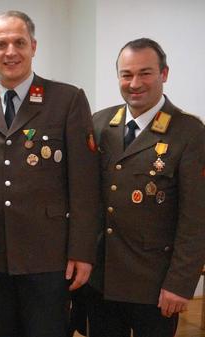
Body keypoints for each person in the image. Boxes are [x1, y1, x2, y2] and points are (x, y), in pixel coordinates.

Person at [0, 10, 101, 337]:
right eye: (1, 44)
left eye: (19, 42)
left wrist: (82, 250)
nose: (10, 52)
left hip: (49, 257)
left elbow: (84, 185)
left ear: (34, 47)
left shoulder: (66, 100)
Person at [87, 37, 205, 337]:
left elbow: (196, 217)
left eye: (145, 73)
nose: (134, 83)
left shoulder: (189, 132)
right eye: (126, 74)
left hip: (154, 284)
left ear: (163, 74)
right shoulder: (100, 124)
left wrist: (180, 284)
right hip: (102, 278)